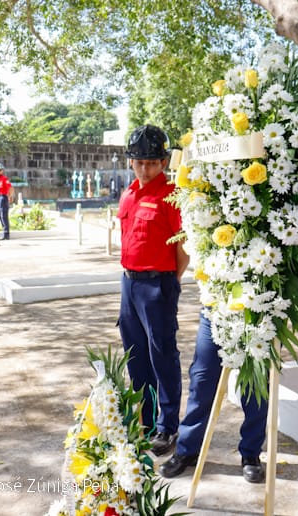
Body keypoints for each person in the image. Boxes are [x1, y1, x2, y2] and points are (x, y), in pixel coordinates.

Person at [117, 124, 190, 456]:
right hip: (128, 284)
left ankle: (166, 426)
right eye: (139, 162)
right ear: (131, 161)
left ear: (163, 163)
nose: (144, 169)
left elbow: (183, 248)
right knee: (136, 358)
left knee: (162, 356)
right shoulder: (129, 193)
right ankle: (144, 423)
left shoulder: (171, 196)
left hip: (157, 285)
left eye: (151, 163)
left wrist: (170, 281)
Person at [158, 309, 268, 483]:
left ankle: (251, 454)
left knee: (255, 387)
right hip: (215, 312)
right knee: (201, 380)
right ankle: (187, 450)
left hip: (259, 315)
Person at [0, 163, 12, 240]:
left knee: (3, 215)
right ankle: (4, 232)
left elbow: (10, 188)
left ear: (1, 171)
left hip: (3, 197)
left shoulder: (4, 179)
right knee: (0, 216)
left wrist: (10, 196)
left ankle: (6, 234)